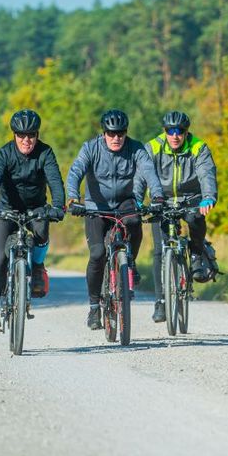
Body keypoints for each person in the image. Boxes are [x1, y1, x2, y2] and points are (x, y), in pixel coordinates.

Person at [66, 109, 164, 331]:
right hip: (96, 208)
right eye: (111, 133)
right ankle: (93, 307)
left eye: (120, 133)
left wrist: (157, 195)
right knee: (98, 254)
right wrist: (73, 197)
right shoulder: (90, 148)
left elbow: (149, 172)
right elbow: (75, 172)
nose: (116, 138)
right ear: (104, 133)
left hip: (124, 204)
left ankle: (130, 262)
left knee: (134, 222)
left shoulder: (136, 148)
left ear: (126, 133)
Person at [0, 109, 65, 332]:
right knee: (0, 256)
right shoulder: (5, 153)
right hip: (7, 209)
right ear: (14, 135)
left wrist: (57, 207)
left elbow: (55, 181)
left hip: (36, 208)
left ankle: (37, 267)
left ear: (37, 134)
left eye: (31, 135)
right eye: (21, 135)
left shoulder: (45, 153)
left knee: (42, 232)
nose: (26, 140)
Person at [136, 110, 219, 324]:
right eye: (170, 131)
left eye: (180, 131)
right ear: (164, 131)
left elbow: (206, 173)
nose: (175, 135)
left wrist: (208, 198)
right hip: (160, 198)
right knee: (158, 250)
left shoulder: (198, 147)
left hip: (191, 197)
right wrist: (137, 200)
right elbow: (141, 176)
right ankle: (160, 302)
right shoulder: (152, 147)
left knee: (195, 219)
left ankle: (197, 253)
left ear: (186, 132)